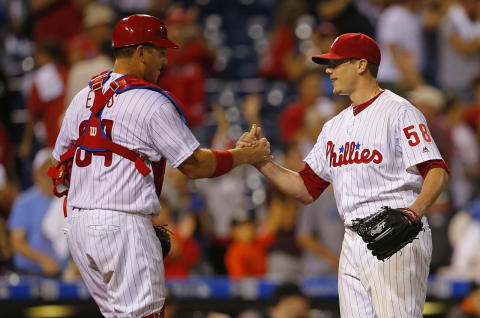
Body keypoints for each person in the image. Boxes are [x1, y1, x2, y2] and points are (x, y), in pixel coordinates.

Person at [51, 14, 271, 318]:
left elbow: (60, 161)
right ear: (141, 52)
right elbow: (194, 165)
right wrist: (244, 155)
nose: (165, 61)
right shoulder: (150, 102)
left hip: (78, 227)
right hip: (122, 224)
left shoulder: (84, 96)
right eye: (160, 51)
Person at [238, 33, 450, 317]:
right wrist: (261, 163)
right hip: (352, 239)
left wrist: (413, 213)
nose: (329, 70)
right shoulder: (333, 127)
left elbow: (436, 170)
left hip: (397, 231)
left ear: (361, 65)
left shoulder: (400, 112)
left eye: (336, 63)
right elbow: (306, 188)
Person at [8, 148, 67, 276]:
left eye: (54, 170)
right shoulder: (24, 202)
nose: (50, 175)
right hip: (28, 276)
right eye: (45, 170)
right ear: (36, 173)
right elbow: (17, 242)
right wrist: (43, 260)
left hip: (63, 275)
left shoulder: (68, 199)